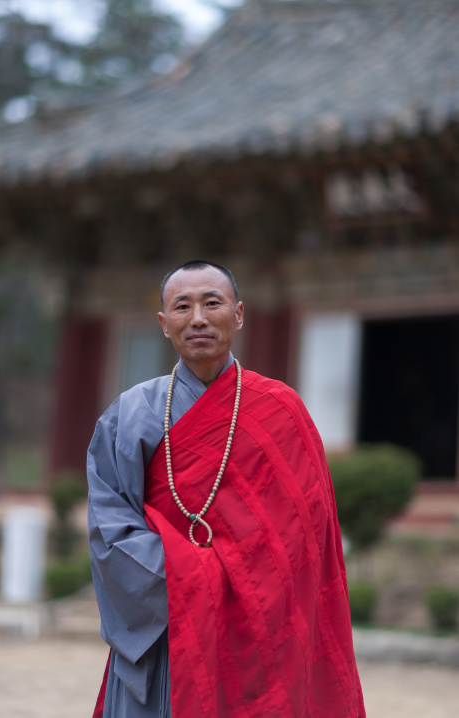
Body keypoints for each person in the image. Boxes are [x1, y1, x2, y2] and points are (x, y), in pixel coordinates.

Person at [87, 260, 366, 718]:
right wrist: (195, 577)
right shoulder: (131, 414)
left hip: (263, 628)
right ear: (163, 323)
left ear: (238, 315)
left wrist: (249, 585)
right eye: (182, 306)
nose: (198, 318)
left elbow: (307, 534)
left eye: (211, 303)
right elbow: (110, 526)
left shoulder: (281, 411)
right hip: (167, 625)